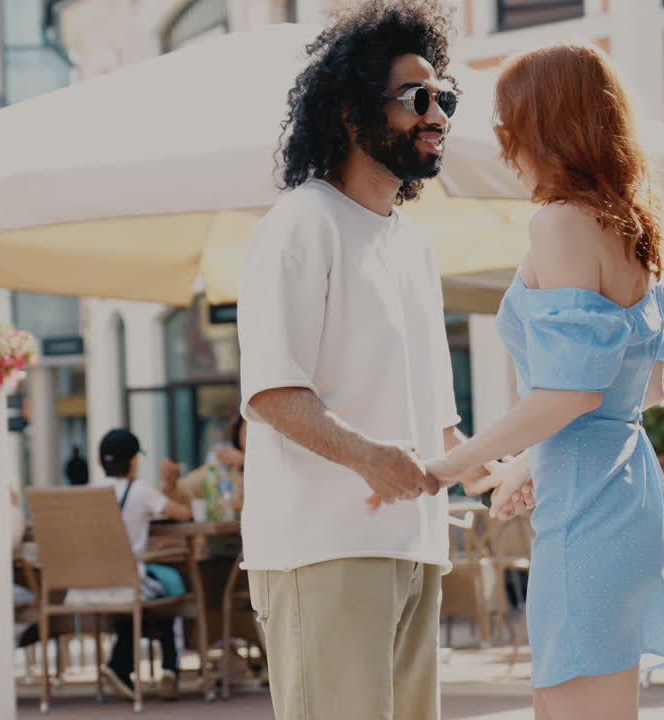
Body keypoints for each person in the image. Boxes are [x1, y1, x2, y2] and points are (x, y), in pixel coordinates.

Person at [236, 3, 533, 718]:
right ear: (349, 112)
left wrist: (486, 474)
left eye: (445, 99)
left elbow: (434, 418)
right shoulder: (301, 224)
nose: (437, 115)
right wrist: (369, 455)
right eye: (415, 99)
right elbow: (273, 393)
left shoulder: (413, 244)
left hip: (416, 547)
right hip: (323, 548)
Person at [422, 41, 664, 719]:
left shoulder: (560, 223)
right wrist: (530, 464)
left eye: (508, 124)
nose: (503, 145)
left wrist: (453, 464)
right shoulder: (636, 230)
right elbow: (636, 394)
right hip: (626, 494)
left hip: (590, 510)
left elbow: (573, 391)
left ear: (543, 127)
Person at [94, 428, 193, 702]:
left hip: (92, 584)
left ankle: (121, 665)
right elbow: (183, 513)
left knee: (150, 595)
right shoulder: (140, 491)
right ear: (134, 461)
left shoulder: (92, 494)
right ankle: (170, 667)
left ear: (100, 462)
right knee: (172, 591)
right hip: (132, 580)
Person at [160, 414, 247, 514]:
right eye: (247, 432)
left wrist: (247, 461)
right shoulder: (223, 466)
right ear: (239, 434)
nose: (254, 439)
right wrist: (170, 483)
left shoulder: (266, 470)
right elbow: (186, 488)